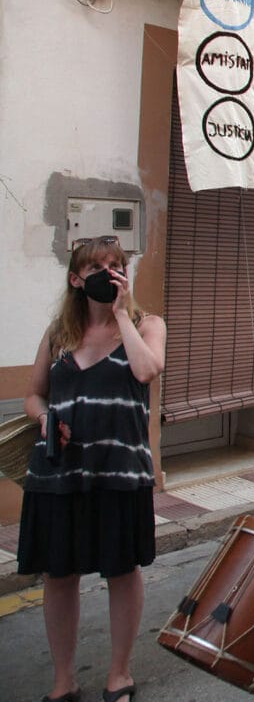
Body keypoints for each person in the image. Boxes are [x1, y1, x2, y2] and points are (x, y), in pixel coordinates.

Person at [19, 236, 166, 702]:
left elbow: (146, 371)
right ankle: (63, 680)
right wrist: (46, 420)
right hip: (59, 472)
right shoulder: (59, 333)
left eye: (116, 265)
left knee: (121, 570)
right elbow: (33, 394)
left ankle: (119, 674)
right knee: (58, 574)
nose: (108, 273)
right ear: (75, 279)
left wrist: (120, 314)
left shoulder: (146, 324)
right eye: (97, 268)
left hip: (119, 470)